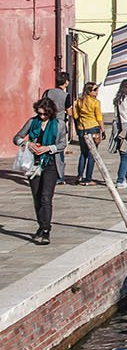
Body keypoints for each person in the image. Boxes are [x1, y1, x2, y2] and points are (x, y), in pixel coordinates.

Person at [14, 97, 67, 244]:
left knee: (46, 197)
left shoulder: (59, 124)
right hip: (34, 164)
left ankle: (45, 230)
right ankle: (41, 225)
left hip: (50, 163)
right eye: (40, 114)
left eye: (44, 114)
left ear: (50, 113)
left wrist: (48, 148)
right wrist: (27, 143)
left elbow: (63, 144)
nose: (42, 117)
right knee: (37, 197)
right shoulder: (32, 122)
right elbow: (16, 137)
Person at [71, 81, 104, 185]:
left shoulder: (78, 102)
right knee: (92, 154)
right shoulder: (96, 103)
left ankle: (80, 175)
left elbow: (75, 116)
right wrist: (103, 130)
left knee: (83, 153)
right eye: (95, 89)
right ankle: (88, 179)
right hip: (93, 128)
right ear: (89, 91)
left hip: (82, 128)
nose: (97, 91)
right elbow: (99, 118)